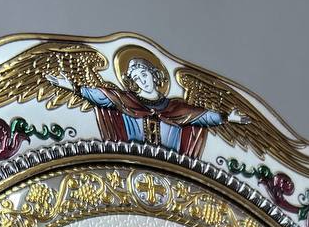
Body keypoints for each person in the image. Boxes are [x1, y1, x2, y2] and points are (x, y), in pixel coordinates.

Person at [50, 56, 247, 155]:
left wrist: (228, 117)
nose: (142, 80)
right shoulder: (128, 101)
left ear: (154, 74)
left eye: (144, 74)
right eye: (137, 78)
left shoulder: (176, 108)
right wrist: (73, 87)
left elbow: (201, 116)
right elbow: (102, 96)